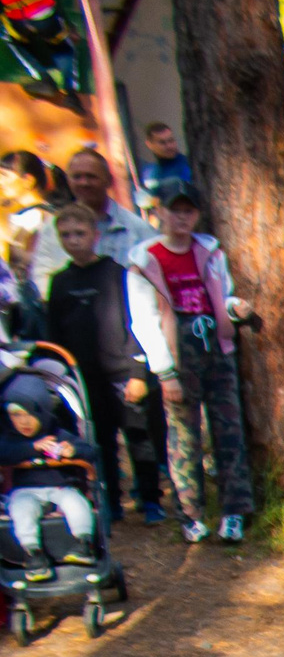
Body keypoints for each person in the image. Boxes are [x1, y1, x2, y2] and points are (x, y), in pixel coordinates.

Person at [127, 184, 253, 544]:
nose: (181, 217)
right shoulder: (145, 259)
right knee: (184, 434)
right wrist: (165, 371)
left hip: (215, 342)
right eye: (174, 210)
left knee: (229, 430)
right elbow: (144, 319)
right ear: (160, 213)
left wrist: (235, 308)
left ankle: (233, 511)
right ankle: (191, 512)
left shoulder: (210, 250)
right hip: (176, 348)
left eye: (188, 210)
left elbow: (220, 294)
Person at [43, 203, 155, 526]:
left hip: (121, 371)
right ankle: (111, 502)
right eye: (66, 235)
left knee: (138, 435)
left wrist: (138, 371)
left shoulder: (116, 274)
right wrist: (60, 379)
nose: (73, 240)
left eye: (80, 233)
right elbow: (55, 336)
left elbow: (136, 324)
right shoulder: (60, 282)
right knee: (100, 440)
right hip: (83, 377)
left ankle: (150, 498)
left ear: (95, 235)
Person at [1, 378, 97, 578]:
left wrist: (73, 450)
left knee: (76, 502)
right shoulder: (10, 439)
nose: (23, 421)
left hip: (60, 487)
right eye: (16, 415)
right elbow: (5, 454)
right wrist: (32, 448)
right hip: (25, 490)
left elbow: (90, 451)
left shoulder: (58, 434)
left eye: (29, 415)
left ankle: (83, 543)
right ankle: (33, 552)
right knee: (21, 509)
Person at [136, 121, 193, 199]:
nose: (169, 146)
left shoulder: (188, 165)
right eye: (162, 142)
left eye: (171, 140)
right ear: (149, 144)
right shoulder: (148, 172)